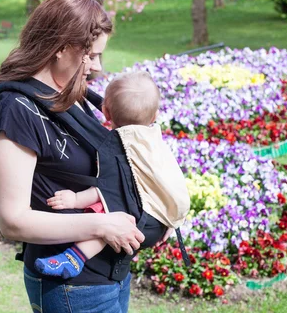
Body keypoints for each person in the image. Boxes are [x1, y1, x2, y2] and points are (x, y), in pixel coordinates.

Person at [0, 0, 154, 313]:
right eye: (92, 55)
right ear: (62, 48)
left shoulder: (71, 92)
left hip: (108, 275)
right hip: (71, 286)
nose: (97, 67)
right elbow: (12, 220)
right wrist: (102, 226)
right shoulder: (15, 108)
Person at [34, 71, 190, 279]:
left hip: (139, 224)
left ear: (105, 112)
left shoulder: (120, 147)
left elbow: (109, 188)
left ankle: (73, 258)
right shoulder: (154, 143)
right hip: (161, 224)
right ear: (155, 116)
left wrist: (76, 199)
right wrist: (172, 216)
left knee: (106, 220)